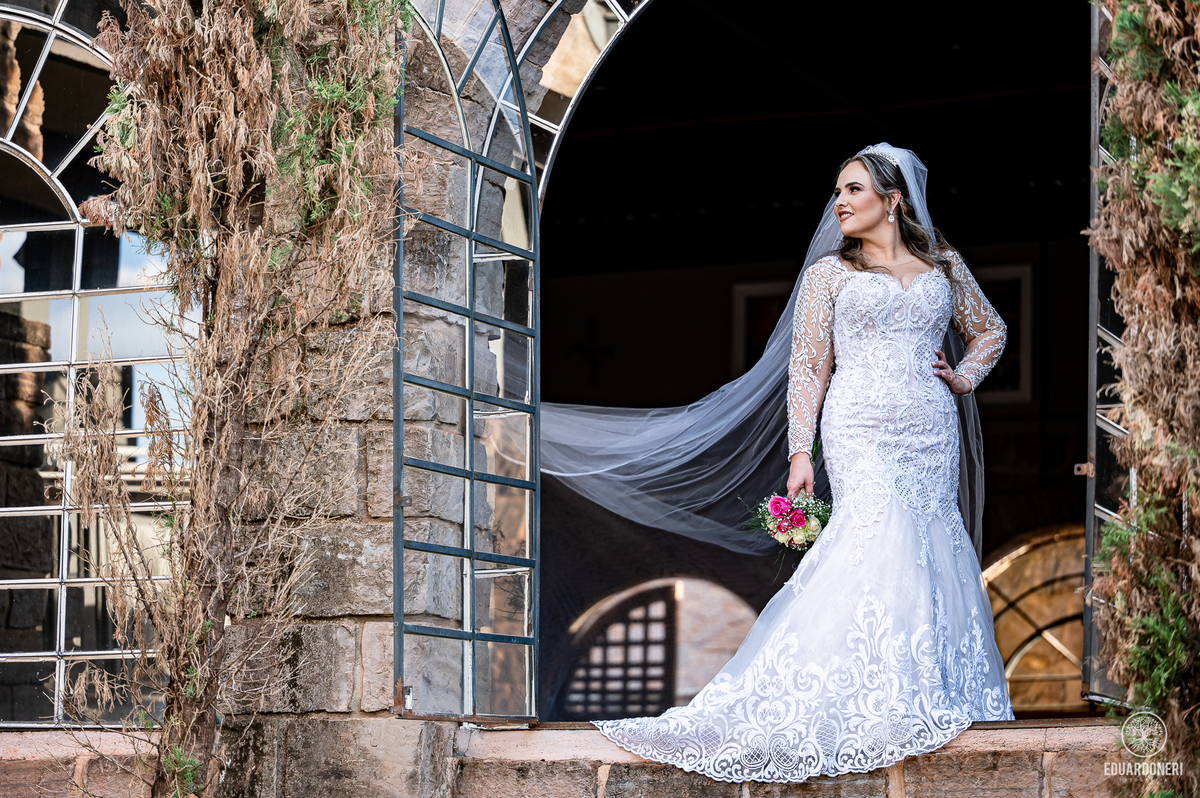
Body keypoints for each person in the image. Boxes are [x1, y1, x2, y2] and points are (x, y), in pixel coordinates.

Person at [592, 143, 1015, 783]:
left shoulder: (943, 265)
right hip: (859, 425)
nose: (839, 202)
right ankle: (864, 697)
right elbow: (809, 368)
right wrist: (800, 453)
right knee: (878, 534)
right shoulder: (828, 275)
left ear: (892, 200)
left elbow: (992, 330)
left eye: (853, 190)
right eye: (837, 191)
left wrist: (963, 377)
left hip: (930, 428)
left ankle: (928, 686)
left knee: (932, 539)